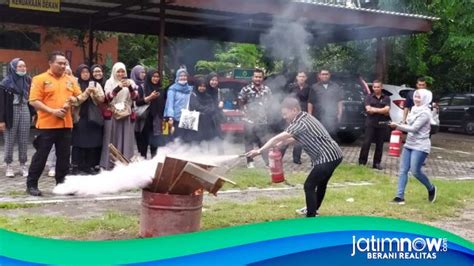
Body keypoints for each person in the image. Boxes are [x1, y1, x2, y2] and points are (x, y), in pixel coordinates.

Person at [246, 97, 343, 217]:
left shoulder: (300, 122)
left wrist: (259, 150)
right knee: (321, 183)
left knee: (309, 185)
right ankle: (313, 209)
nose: (284, 117)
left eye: (285, 114)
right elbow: (295, 137)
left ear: (294, 110)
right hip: (334, 155)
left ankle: (311, 215)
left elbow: (278, 137)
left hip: (327, 157)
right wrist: (282, 143)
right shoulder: (304, 117)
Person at [26, 51, 89, 196]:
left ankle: (61, 185)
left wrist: (76, 100)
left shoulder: (70, 79)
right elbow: (34, 101)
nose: (62, 66)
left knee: (64, 157)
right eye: (59, 63)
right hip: (47, 125)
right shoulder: (40, 79)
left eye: (64, 63)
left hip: (66, 124)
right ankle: (32, 184)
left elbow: (79, 96)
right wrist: (52, 111)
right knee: (41, 156)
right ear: (50, 63)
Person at [389, 89, 437, 205]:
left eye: (419, 97)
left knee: (415, 171)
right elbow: (408, 125)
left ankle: (431, 188)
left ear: (425, 99)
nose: (416, 99)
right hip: (409, 143)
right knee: (403, 170)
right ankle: (399, 197)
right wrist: (399, 124)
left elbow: (414, 128)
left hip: (421, 145)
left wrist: (397, 126)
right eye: (415, 97)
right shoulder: (414, 109)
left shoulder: (425, 113)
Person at [100, 62, 138, 169]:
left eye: (123, 71)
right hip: (113, 114)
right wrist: (118, 88)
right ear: (114, 72)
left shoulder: (131, 82)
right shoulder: (109, 82)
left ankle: (125, 163)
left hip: (126, 114)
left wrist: (130, 87)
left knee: (126, 138)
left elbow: (136, 97)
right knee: (111, 138)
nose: (121, 74)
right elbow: (107, 99)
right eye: (118, 71)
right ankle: (110, 163)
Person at [0, 58, 32, 177]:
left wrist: (33, 113)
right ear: (13, 68)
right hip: (10, 110)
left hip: (24, 108)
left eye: (24, 66)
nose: (23, 68)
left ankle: (23, 164)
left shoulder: (28, 80)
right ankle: (9, 165)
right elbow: (1, 103)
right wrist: (1, 120)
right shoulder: (5, 83)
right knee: (9, 138)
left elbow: (32, 98)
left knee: (24, 138)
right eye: (19, 66)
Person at [71, 64, 105, 174]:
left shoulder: (95, 84)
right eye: (83, 72)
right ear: (79, 73)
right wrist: (86, 93)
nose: (85, 74)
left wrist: (94, 92)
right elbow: (75, 101)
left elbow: (101, 100)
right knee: (78, 143)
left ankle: (89, 166)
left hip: (93, 118)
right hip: (80, 117)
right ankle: (76, 166)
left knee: (92, 143)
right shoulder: (75, 84)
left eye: (87, 72)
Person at [238, 68, 272, 168]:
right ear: (253, 77)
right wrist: (244, 112)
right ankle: (250, 162)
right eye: (256, 77)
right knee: (249, 142)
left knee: (263, 141)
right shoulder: (245, 89)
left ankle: (267, 162)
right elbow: (240, 101)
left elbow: (270, 103)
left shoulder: (267, 90)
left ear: (263, 78)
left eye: (260, 77)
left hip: (262, 121)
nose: (258, 79)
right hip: (249, 121)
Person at [358, 80, 390, 170]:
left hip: (381, 123)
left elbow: (387, 110)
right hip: (370, 123)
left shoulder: (386, 98)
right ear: (373, 87)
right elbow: (368, 109)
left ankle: (376, 163)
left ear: (381, 87)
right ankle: (362, 162)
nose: (376, 88)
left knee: (380, 144)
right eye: (374, 87)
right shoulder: (368, 97)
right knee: (366, 143)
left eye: (378, 87)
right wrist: (382, 110)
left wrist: (374, 110)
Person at [307, 69, 344, 139]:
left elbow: (339, 101)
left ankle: (332, 150)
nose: (325, 76)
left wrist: (340, 114)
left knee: (332, 137)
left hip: (332, 116)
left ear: (329, 75)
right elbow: (310, 102)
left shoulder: (335, 87)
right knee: (318, 137)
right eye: (323, 74)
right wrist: (310, 115)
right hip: (318, 116)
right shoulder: (314, 87)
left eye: (326, 74)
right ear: (319, 76)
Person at [135, 69, 163, 158]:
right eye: (154, 76)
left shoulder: (160, 88)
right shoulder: (142, 87)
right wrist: (150, 97)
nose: (156, 78)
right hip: (145, 118)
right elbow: (137, 102)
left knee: (155, 142)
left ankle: (153, 162)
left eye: (157, 77)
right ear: (149, 77)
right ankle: (143, 163)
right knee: (144, 142)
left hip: (157, 118)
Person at [285, 71, 310, 164]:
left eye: (303, 76)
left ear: (306, 78)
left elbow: (310, 102)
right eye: (300, 76)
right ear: (297, 77)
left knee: (299, 136)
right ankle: (280, 155)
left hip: (303, 113)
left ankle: (297, 158)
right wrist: (287, 115)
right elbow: (287, 101)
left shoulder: (309, 88)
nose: (302, 78)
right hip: (292, 113)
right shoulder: (291, 87)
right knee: (287, 134)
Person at [164, 68, 193, 141]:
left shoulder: (190, 89)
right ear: (177, 77)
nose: (183, 77)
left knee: (186, 139)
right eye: (181, 76)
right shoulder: (172, 89)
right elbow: (170, 104)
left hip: (187, 116)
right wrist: (170, 117)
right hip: (174, 118)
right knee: (174, 139)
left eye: (185, 75)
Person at [188, 78, 218, 144]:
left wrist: (206, 110)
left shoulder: (208, 96)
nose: (202, 88)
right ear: (197, 86)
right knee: (195, 140)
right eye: (200, 86)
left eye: (204, 86)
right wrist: (207, 110)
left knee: (208, 139)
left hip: (207, 122)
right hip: (196, 121)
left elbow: (212, 107)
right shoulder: (193, 95)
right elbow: (196, 106)